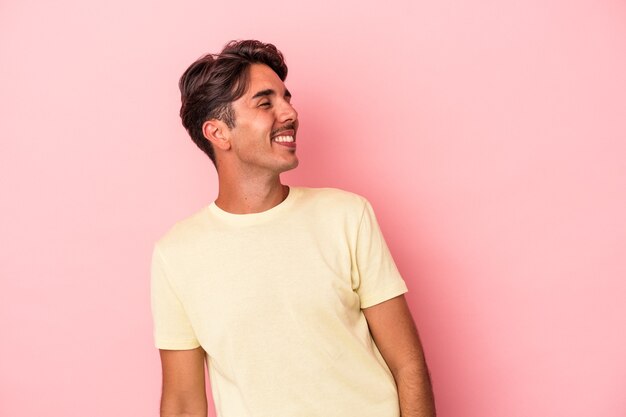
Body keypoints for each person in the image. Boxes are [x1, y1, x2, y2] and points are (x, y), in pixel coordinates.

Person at [151, 39, 436, 417]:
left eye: (287, 98)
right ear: (219, 133)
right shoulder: (176, 254)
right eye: (266, 102)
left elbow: (408, 363)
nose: (290, 113)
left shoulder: (346, 215)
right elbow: (184, 401)